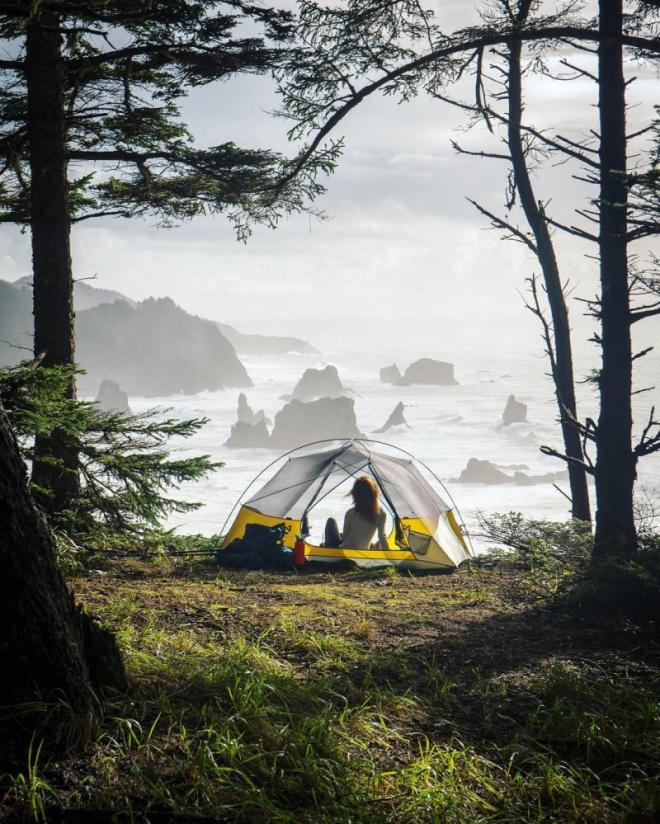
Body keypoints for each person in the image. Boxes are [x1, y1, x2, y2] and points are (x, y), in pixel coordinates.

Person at [324, 476, 390, 550]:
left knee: (331, 521)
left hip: (344, 550)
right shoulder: (380, 514)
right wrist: (390, 557)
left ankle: (327, 549)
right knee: (340, 534)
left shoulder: (350, 513)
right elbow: (382, 536)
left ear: (355, 495)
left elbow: (345, 538)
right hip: (363, 551)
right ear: (374, 494)